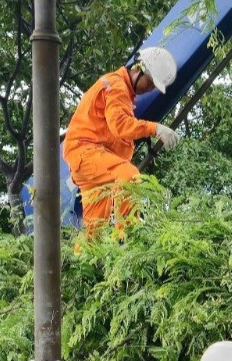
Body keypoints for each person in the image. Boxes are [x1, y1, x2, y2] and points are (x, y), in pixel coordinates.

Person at [64, 46, 180, 238]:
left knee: (94, 232)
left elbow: (115, 136)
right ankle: (129, 237)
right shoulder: (117, 87)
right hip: (85, 152)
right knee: (129, 175)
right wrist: (155, 129)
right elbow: (120, 125)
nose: (150, 89)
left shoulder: (122, 92)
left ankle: (83, 264)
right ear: (138, 69)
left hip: (88, 161)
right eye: (150, 83)